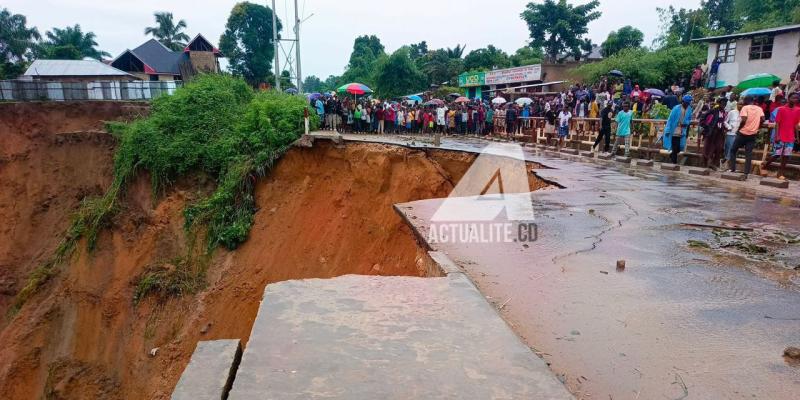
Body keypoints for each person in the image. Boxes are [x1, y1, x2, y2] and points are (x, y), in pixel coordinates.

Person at [763, 92, 800, 179]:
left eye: (796, 98)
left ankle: (780, 174)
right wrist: (776, 136)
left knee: (786, 156)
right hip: (781, 135)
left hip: (790, 136)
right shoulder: (781, 109)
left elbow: (796, 124)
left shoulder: (798, 110)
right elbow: (777, 123)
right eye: (793, 98)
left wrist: (797, 137)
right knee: (776, 154)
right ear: (788, 98)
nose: (795, 100)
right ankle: (765, 165)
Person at [728, 96, 765, 177]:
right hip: (753, 134)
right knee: (748, 153)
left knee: (733, 150)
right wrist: (757, 126)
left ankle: (732, 168)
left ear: (745, 101)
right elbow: (763, 119)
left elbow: (744, 120)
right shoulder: (759, 108)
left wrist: (739, 129)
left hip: (743, 133)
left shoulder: (745, 108)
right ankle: (746, 172)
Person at [663, 95, 694, 164]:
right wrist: (668, 129)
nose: (687, 104)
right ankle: (674, 162)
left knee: (680, 148)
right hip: (674, 129)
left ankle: (672, 156)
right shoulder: (676, 108)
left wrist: (686, 123)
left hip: (682, 130)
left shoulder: (689, 109)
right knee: (675, 146)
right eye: (686, 103)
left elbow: (689, 118)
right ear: (683, 102)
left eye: (688, 103)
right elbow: (670, 119)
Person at [701, 98, 728, 170]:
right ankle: (705, 164)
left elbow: (722, 122)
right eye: (722, 103)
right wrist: (707, 127)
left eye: (725, 103)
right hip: (712, 132)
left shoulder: (724, 112)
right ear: (719, 103)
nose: (724, 104)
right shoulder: (713, 110)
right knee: (708, 148)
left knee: (719, 147)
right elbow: (703, 118)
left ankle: (713, 164)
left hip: (719, 133)